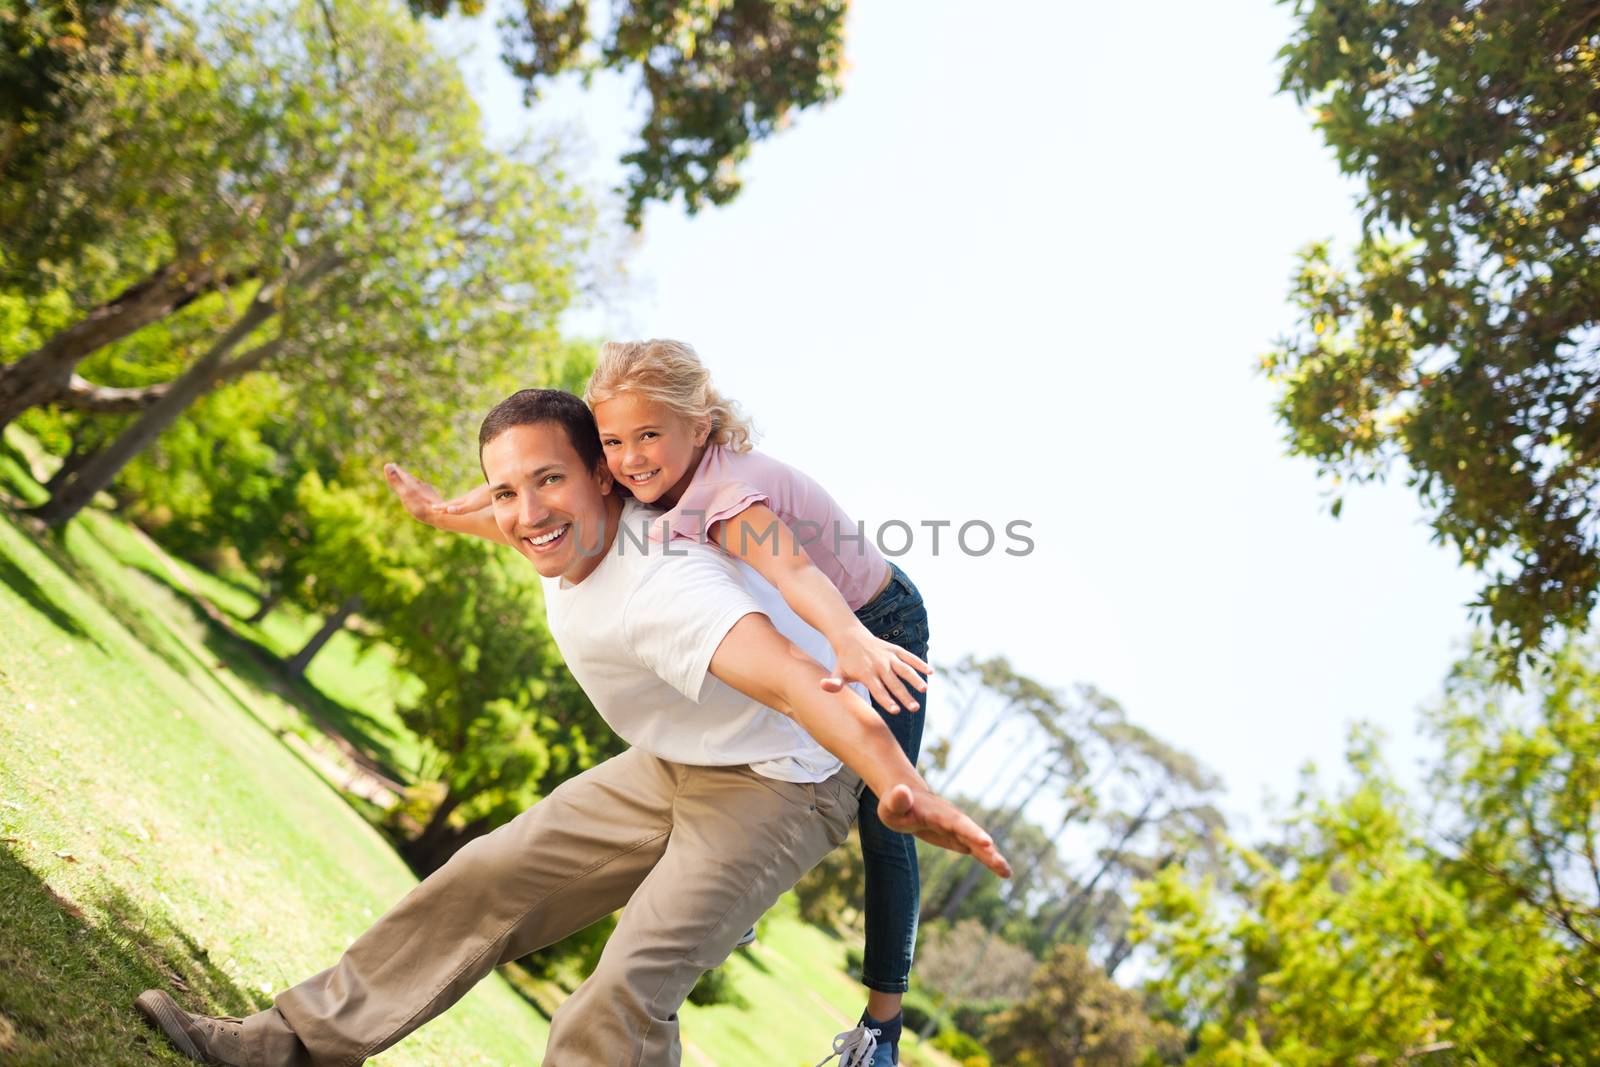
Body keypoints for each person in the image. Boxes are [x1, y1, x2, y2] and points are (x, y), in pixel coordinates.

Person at [136, 389, 1008, 1067]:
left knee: (621, 995)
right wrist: (445, 512)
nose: (525, 513)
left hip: (786, 781)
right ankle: (281, 1048)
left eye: (548, 481)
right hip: (679, 761)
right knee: (485, 876)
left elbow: (795, 681)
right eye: (506, 489)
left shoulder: (666, 587)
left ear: (604, 476)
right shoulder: (548, 523)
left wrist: (900, 786)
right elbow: (507, 504)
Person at [433, 340, 933, 1066]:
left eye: (649, 436)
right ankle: (733, 910)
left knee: (888, 813)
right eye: (614, 440)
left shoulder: (728, 498)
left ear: (699, 427)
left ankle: (879, 1031)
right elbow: (540, 502)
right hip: (829, 628)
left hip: (876, 620)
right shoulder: (641, 482)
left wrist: (850, 637)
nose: (631, 458)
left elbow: (793, 571)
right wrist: (454, 511)